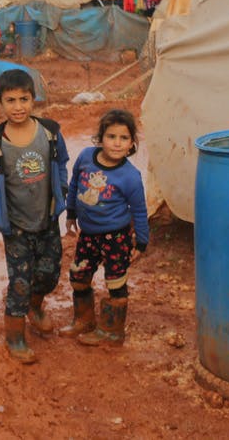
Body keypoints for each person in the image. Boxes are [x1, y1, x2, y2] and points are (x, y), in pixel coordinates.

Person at [0, 68, 69, 363]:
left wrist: (63, 192)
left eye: (24, 99)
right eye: (10, 100)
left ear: (34, 99)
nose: (18, 106)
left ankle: (36, 305)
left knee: (49, 274)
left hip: (47, 219)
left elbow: (62, 163)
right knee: (20, 281)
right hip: (15, 226)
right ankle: (15, 337)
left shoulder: (50, 132)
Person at [61, 109, 149, 346]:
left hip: (116, 238)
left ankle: (112, 331)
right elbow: (74, 185)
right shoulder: (86, 157)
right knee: (79, 276)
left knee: (116, 281)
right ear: (101, 138)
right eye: (111, 136)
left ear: (132, 143)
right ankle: (84, 319)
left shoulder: (130, 176)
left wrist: (140, 242)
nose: (117, 143)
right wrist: (70, 213)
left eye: (123, 138)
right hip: (88, 235)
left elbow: (139, 210)